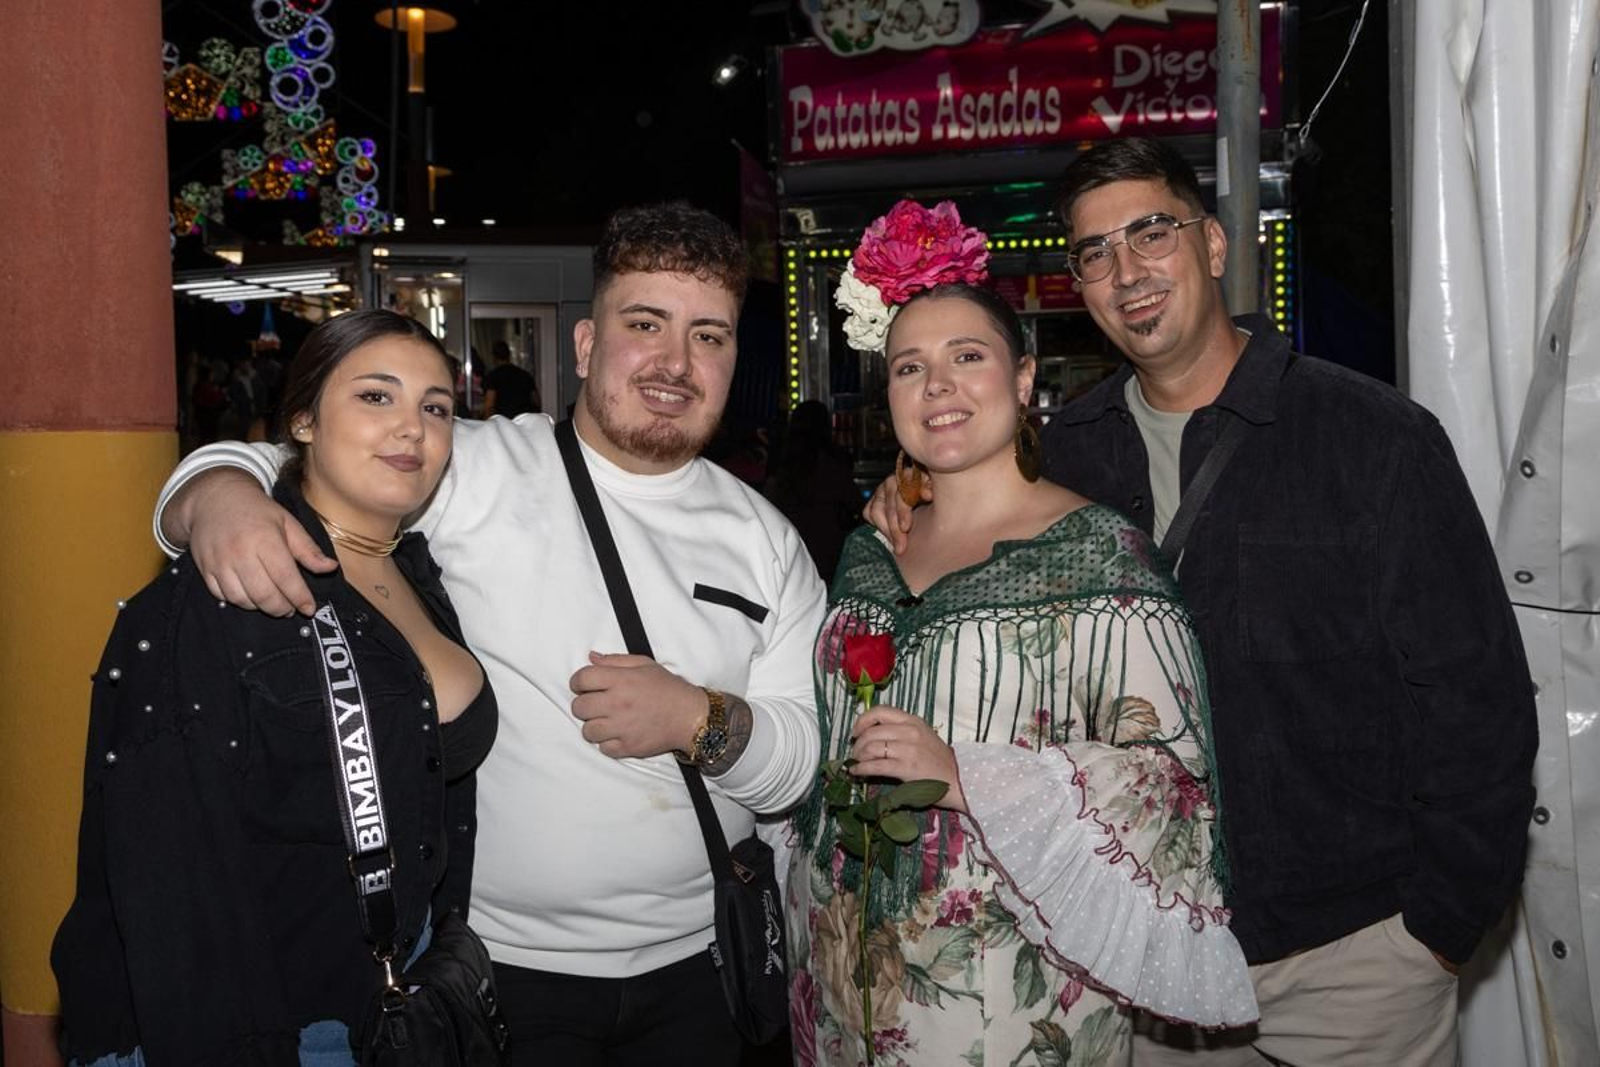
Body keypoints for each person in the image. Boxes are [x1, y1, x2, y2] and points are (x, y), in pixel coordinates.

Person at [867, 139, 1538, 1065]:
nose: (1126, 271)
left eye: (1151, 232)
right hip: (1147, 954)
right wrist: (911, 488)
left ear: (1214, 245)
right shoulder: (1066, 456)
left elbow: (1479, 701)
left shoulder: (1372, 439)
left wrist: (1437, 929)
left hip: (1352, 961)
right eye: (1095, 252)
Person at [147, 203, 825, 1066]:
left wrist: (699, 718)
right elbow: (302, 461)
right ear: (587, 345)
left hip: (703, 966)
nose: (676, 362)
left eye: (709, 336)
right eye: (645, 324)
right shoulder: (471, 465)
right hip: (497, 970)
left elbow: (800, 761)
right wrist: (219, 496)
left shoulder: (767, 538)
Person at [787, 200, 1255, 1066]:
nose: (938, 385)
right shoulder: (866, 552)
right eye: (910, 367)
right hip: (844, 971)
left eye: (968, 356)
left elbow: (1176, 785)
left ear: (1024, 377)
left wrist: (968, 774)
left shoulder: (1098, 554)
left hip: (1006, 986)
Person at [52, 309, 497, 1065]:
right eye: (376, 396)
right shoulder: (222, 594)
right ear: (302, 421)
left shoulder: (420, 571)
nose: (412, 428)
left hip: (405, 995)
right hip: (276, 1026)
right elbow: (168, 890)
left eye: (436, 407)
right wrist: (217, 487)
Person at [764, 399, 861, 582]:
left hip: (790, 549)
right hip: (826, 549)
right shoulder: (833, 461)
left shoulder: (782, 461)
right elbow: (854, 501)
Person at [484, 339, 541, 417]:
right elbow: (536, 402)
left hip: (504, 421)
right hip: (524, 420)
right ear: (509, 355)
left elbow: (489, 406)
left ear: (494, 357)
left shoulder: (493, 376)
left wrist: (487, 421)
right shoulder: (524, 375)